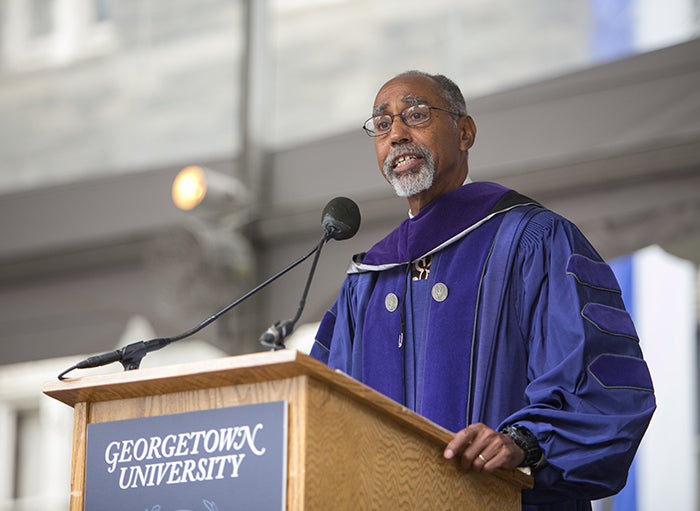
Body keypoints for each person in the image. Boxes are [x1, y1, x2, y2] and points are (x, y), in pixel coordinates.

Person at [310, 70, 655, 510]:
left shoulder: (535, 241)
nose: (396, 134)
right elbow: (326, 415)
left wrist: (523, 442)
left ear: (465, 132)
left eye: (415, 115)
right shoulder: (367, 281)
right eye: (382, 125)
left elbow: (600, 382)